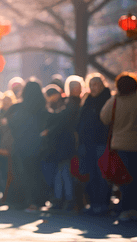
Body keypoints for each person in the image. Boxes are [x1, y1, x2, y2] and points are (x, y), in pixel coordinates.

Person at [5, 80, 50, 212]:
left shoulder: (18, 108)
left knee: (20, 173)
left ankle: (21, 201)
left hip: (20, 145)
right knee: (36, 173)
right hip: (37, 145)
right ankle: (36, 201)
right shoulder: (42, 108)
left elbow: (10, 124)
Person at [100, 72, 137, 222]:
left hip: (120, 144)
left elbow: (104, 117)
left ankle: (127, 209)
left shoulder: (115, 100)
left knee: (125, 179)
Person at [43, 75, 83, 211]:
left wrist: (49, 130)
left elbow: (62, 120)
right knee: (62, 173)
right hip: (61, 145)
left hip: (67, 144)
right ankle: (61, 199)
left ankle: (67, 199)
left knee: (65, 173)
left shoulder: (70, 105)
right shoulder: (68, 103)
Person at [77, 73, 112, 215]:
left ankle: (103, 204)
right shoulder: (87, 100)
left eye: (96, 84)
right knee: (91, 174)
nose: (93, 88)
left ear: (102, 85)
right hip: (88, 143)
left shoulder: (108, 99)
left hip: (102, 142)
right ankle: (93, 203)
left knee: (102, 174)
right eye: (91, 85)